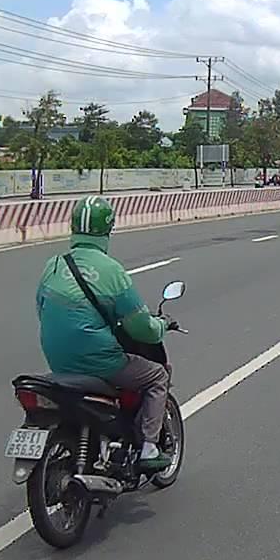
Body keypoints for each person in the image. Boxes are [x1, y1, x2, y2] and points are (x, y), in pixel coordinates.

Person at [35, 196, 175, 471]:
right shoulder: (111, 271)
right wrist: (162, 325)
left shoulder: (54, 265)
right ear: (109, 228)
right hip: (100, 362)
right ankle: (148, 448)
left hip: (58, 362)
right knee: (157, 376)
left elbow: (41, 309)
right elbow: (143, 329)